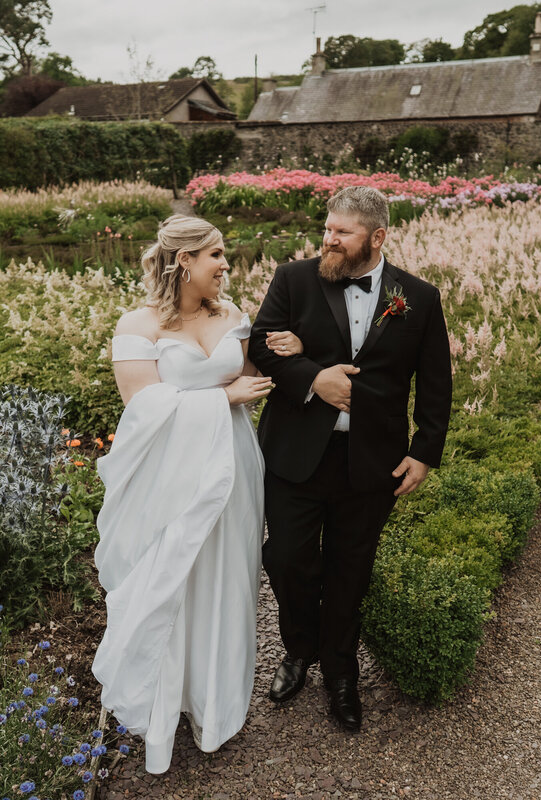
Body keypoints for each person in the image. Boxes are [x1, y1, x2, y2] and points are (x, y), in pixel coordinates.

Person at [91, 214, 302, 774]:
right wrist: (224, 397)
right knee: (172, 582)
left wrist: (289, 349)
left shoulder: (232, 315)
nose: (226, 266)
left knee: (228, 580)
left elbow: (259, 376)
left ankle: (216, 707)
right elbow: (142, 408)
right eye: (217, 256)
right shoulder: (138, 325)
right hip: (169, 477)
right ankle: (164, 705)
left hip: (233, 466)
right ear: (184, 261)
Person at [247, 186, 452, 732]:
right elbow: (262, 346)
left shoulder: (420, 298)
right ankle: (298, 650)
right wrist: (315, 377)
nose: (328, 240)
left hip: (372, 462)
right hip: (296, 454)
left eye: (342, 233)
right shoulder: (294, 280)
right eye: (327, 228)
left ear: (377, 237)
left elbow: (435, 384)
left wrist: (424, 453)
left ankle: (341, 672)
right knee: (287, 557)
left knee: (350, 570)